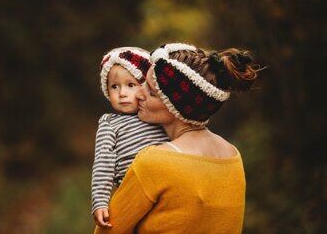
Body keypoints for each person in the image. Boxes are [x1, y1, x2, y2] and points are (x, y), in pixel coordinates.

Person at [94, 43, 260, 234]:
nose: (138, 94)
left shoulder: (153, 162)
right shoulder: (233, 156)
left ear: (174, 105)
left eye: (151, 92)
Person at [91, 47, 170, 228]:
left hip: (165, 188)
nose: (122, 93)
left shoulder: (158, 116)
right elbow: (103, 162)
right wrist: (100, 202)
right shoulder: (109, 123)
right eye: (114, 86)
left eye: (131, 85)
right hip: (132, 193)